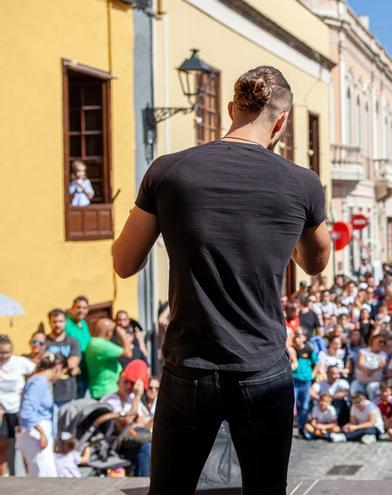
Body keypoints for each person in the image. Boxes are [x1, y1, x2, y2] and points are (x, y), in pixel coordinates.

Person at [112, 66, 331, 494]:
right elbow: (316, 261)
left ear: (231, 109)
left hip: (189, 367)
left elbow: (124, 262)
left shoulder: (167, 171)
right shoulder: (303, 184)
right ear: (282, 123)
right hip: (263, 368)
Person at [101, 360, 152, 476]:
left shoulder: (132, 398)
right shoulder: (111, 400)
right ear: (119, 381)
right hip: (119, 446)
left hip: (137, 439)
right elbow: (125, 422)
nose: (130, 386)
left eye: (133, 383)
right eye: (127, 382)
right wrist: (138, 397)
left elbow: (146, 424)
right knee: (146, 447)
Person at [16, 353, 64, 477]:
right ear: (57, 368)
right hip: (36, 434)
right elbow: (27, 412)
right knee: (45, 476)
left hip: (36, 431)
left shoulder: (37, 381)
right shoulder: (38, 383)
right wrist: (42, 433)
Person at [0, 334, 36, 476]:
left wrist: (27, 388)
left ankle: (29, 477)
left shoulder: (20, 362)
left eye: (7, 352)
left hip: (18, 409)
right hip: (2, 410)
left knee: (23, 446)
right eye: (0, 353)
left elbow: (37, 371)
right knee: (2, 446)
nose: (3, 356)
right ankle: (5, 477)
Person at [85, 318, 133, 400]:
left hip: (102, 390)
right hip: (107, 391)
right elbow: (128, 353)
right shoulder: (100, 345)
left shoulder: (93, 342)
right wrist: (123, 336)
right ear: (108, 332)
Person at [44, 308, 82, 412]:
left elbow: (72, 364)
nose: (58, 325)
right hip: (48, 394)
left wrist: (52, 368)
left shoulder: (73, 342)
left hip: (68, 393)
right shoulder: (44, 342)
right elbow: (41, 364)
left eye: (61, 321)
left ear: (65, 322)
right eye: (54, 321)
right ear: (50, 322)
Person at [292, 330, 318, 430]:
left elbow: (317, 362)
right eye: (296, 336)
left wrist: (314, 374)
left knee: (304, 404)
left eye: (300, 336)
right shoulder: (292, 349)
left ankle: (301, 426)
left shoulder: (309, 349)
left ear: (304, 338)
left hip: (306, 381)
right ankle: (290, 424)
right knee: (292, 402)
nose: (297, 339)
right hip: (295, 380)